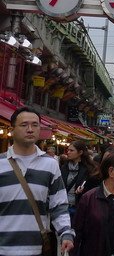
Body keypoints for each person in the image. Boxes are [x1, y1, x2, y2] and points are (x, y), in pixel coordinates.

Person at [0, 107, 74, 256]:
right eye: (24, 125)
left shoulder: (50, 164)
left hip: (37, 248)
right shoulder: (1, 163)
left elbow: (58, 205)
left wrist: (66, 232)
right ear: (12, 129)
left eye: (35, 125)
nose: (30, 129)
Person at [61, 140, 101, 222]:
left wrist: (84, 190)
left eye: (71, 150)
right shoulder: (64, 167)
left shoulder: (90, 169)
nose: (68, 152)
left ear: (80, 152)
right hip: (63, 207)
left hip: (79, 207)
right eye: (68, 150)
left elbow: (94, 189)